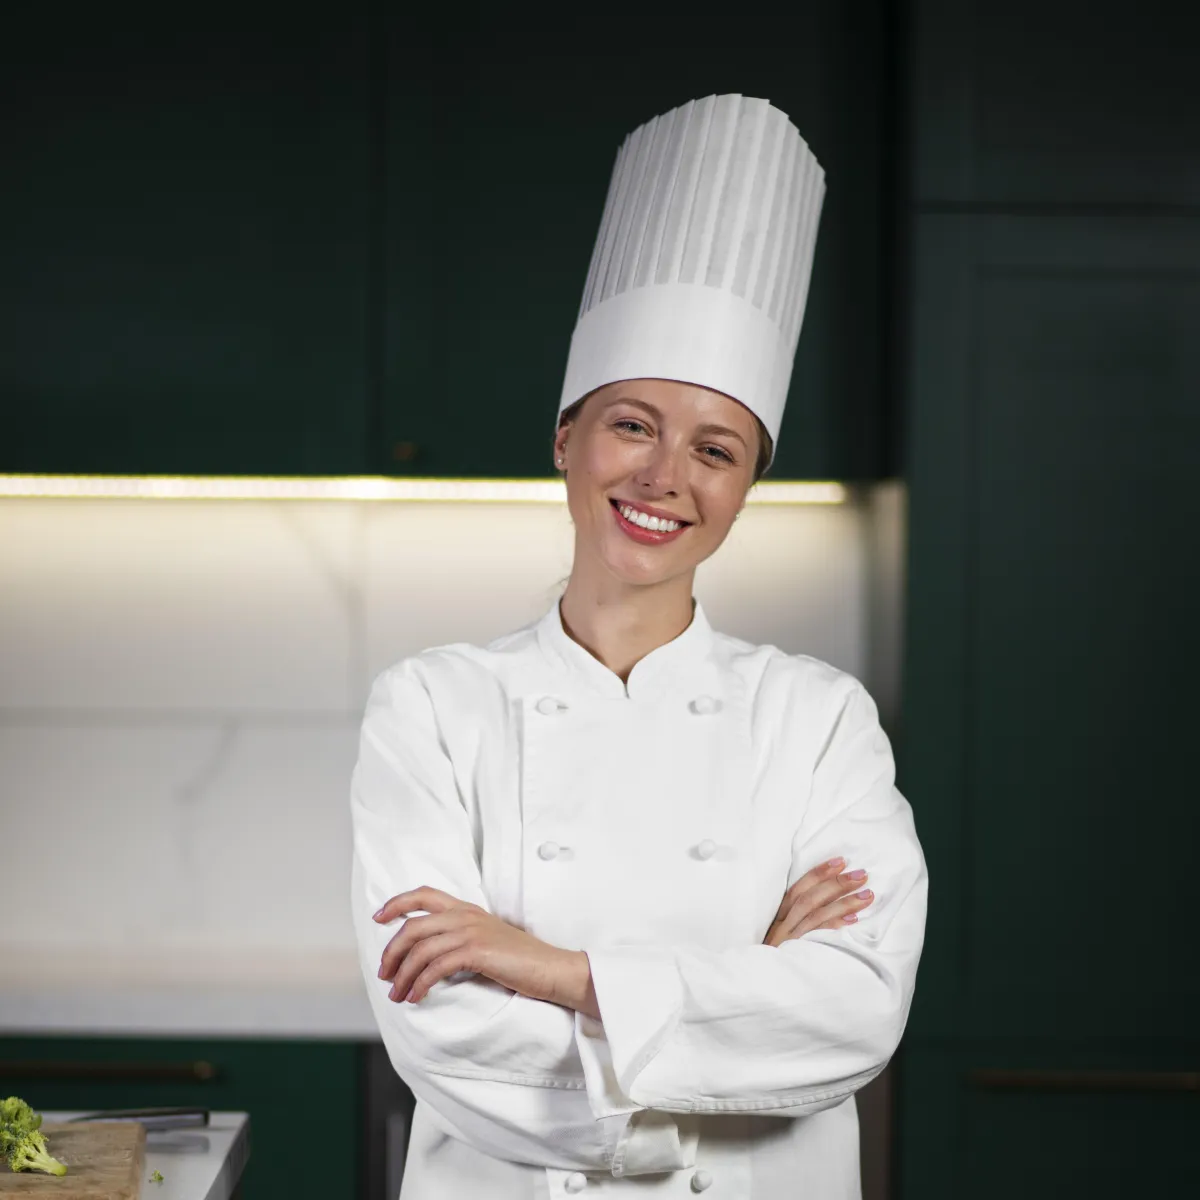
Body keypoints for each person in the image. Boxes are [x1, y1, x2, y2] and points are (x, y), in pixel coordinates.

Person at [350, 93, 928, 1199]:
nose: (665, 477)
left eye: (716, 449)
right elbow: (447, 1041)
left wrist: (553, 971)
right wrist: (743, 995)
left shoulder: (818, 719)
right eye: (631, 425)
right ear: (566, 438)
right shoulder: (431, 705)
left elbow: (855, 1014)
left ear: (744, 487)